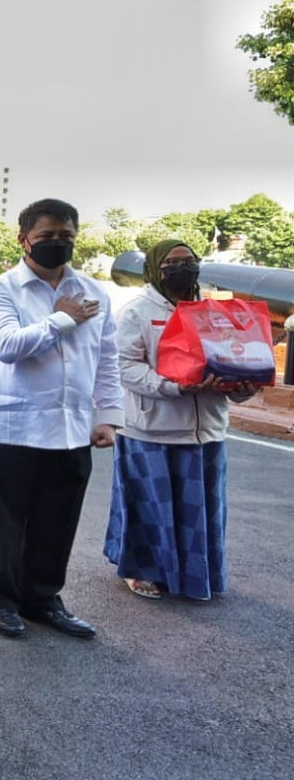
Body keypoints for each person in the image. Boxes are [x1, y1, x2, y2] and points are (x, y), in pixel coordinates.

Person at [0, 198, 121, 639]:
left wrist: (108, 416)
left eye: (66, 236)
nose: (58, 243)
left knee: (58, 520)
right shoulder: (1, 290)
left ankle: (42, 599)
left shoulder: (94, 292)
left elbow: (107, 359)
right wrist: (62, 320)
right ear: (24, 240)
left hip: (72, 428)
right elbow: (8, 346)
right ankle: (1, 600)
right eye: (47, 236)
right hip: (12, 426)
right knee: (5, 523)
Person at [104, 240, 259, 601]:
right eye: (172, 263)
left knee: (202, 510)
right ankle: (141, 570)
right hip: (151, 429)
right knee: (149, 506)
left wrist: (243, 386)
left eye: (189, 261)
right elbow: (123, 366)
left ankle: (197, 574)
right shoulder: (137, 312)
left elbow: (234, 357)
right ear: (154, 270)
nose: (183, 269)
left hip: (207, 430)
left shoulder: (215, 312)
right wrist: (172, 387)